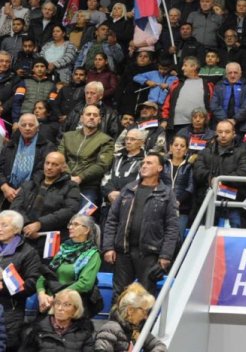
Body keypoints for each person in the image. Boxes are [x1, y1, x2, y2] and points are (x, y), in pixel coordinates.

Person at [102, 153, 179, 296]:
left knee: (146, 296)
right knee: (119, 294)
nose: (144, 165)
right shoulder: (128, 189)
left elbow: (172, 228)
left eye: (149, 163)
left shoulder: (167, 193)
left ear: (160, 168)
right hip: (123, 251)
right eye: (143, 163)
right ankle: (117, 313)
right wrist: (108, 247)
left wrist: (165, 255)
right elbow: (112, 220)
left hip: (149, 253)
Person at [11, 151, 80, 255]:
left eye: (55, 164)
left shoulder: (71, 186)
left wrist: (40, 224)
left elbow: (70, 210)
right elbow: (15, 207)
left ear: (63, 168)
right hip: (22, 234)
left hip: (50, 237)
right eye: (47, 163)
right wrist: (27, 226)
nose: (49, 167)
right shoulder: (30, 184)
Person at [36, 215, 101, 317]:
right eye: (70, 224)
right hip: (49, 304)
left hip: (71, 306)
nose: (70, 227)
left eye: (75, 224)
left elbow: (85, 284)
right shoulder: (63, 249)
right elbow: (45, 275)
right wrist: (41, 295)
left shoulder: (93, 254)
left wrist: (55, 298)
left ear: (86, 230)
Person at [193, 120, 246, 228]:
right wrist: (211, 179)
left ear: (234, 133)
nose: (223, 135)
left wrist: (221, 180)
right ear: (216, 133)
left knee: (234, 234)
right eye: (220, 132)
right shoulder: (205, 152)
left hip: (233, 202)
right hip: (207, 200)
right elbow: (198, 171)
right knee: (204, 234)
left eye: (227, 132)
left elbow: (245, 173)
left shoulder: (243, 152)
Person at [58, 104, 114, 209]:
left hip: (88, 186)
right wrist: (68, 176)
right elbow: (59, 158)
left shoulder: (106, 140)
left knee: (85, 215)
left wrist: (80, 177)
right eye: (88, 114)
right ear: (81, 118)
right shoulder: (68, 136)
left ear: (99, 120)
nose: (92, 117)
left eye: (95, 115)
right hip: (64, 180)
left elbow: (103, 165)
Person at [0, 210, 42, 350]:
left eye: (4, 225)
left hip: (9, 313)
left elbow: (31, 286)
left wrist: (5, 280)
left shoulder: (29, 253)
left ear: (16, 229)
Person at [0, 113, 55, 209]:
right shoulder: (10, 144)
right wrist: (5, 187)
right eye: (24, 125)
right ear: (19, 128)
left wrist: (24, 189)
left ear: (37, 128)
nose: (27, 128)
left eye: (31, 125)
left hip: (31, 193)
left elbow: (42, 172)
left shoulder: (47, 146)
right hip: (6, 191)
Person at [93, 283, 167, 352]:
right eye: (144, 312)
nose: (146, 317)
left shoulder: (137, 329)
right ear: (130, 310)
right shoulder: (110, 329)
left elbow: (160, 346)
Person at [21, 289, 95, 351]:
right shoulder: (38, 329)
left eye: (66, 305)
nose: (60, 308)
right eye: (57, 303)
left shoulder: (84, 332)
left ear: (75, 309)